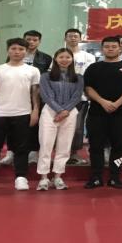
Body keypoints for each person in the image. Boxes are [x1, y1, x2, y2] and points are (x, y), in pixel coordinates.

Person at [0, 38, 40, 192]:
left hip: (23, 113)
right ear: (8, 50)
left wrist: (35, 111)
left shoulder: (33, 71)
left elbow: (35, 93)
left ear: (26, 51)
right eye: (13, 49)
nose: (17, 52)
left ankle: (21, 177)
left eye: (21, 49)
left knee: (21, 148)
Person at [84, 37, 122, 189]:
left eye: (113, 46)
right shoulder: (93, 67)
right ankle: (96, 177)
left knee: (119, 146)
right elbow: (88, 88)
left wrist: (117, 103)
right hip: (97, 112)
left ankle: (115, 177)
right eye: (107, 46)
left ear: (120, 48)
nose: (110, 49)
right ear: (102, 49)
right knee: (95, 145)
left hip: (121, 112)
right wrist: (103, 102)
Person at [0, 29, 52, 166]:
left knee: (34, 124)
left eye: (35, 40)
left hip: (36, 94)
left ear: (39, 42)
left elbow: (47, 78)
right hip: (15, 94)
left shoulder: (46, 58)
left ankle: (33, 152)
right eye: (28, 39)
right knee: (12, 124)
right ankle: (11, 152)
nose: (31, 42)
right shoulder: (14, 56)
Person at [36, 48, 83, 191]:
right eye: (61, 57)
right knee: (46, 144)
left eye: (67, 57)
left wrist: (65, 111)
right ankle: (44, 178)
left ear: (72, 59)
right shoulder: (46, 76)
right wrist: (59, 110)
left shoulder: (78, 77)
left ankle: (57, 176)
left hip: (70, 113)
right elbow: (46, 95)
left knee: (64, 146)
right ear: (55, 59)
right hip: (50, 112)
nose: (64, 60)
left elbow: (77, 96)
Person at [65, 28, 96, 165]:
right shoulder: (59, 54)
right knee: (62, 127)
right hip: (62, 98)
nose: (73, 38)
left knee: (77, 127)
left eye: (75, 36)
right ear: (65, 38)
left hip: (81, 97)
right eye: (70, 36)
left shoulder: (88, 57)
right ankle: (62, 154)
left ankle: (74, 154)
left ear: (80, 38)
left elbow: (91, 76)